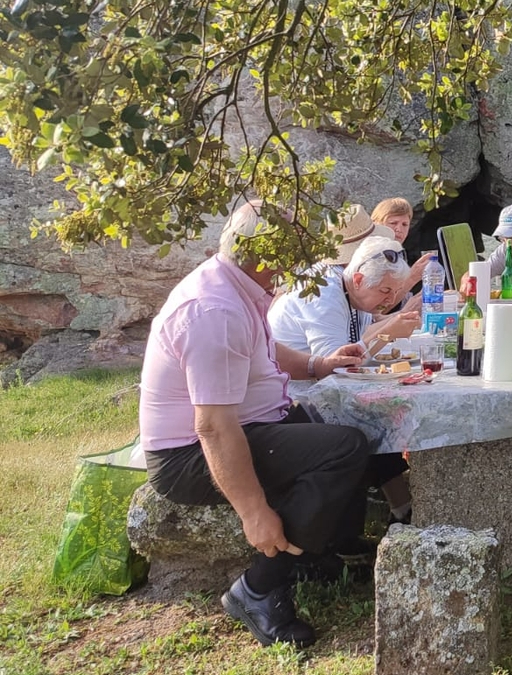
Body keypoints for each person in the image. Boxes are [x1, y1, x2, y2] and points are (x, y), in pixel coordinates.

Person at [139, 201, 371, 647]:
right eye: (292, 251)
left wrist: (319, 365)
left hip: (246, 425)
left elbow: (263, 352)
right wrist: (254, 513)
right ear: (265, 256)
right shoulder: (214, 311)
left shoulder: (235, 286)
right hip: (187, 454)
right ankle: (260, 588)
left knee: (344, 427)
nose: (300, 262)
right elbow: (211, 427)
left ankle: (313, 552)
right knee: (343, 448)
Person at [269, 235, 422, 355]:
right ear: (358, 280)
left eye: (396, 292)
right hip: (293, 392)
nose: (391, 300)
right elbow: (334, 366)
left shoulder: (352, 291)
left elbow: (357, 340)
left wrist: (398, 323)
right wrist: (387, 333)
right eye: (385, 291)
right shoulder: (325, 296)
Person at [371, 197, 432, 293]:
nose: (399, 229)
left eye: (404, 224)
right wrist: (412, 276)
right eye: (393, 223)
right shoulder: (372, 255)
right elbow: (382, 303)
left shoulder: (399, 253)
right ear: (377, 224)